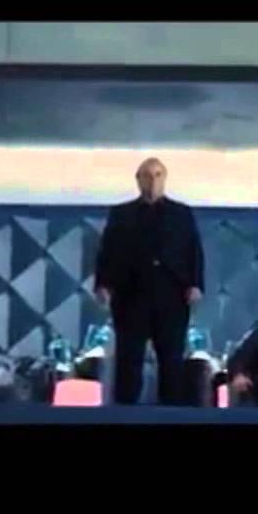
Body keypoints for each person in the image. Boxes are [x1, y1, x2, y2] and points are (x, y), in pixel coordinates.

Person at [94, 157, 204, 405]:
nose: (152, 181)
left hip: (172, 296)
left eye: (157, 175)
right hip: (130, 295)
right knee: (128, 360)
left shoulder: (181, 213)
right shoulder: (121, 214)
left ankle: (170, 414)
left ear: (165, 179)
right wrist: (103, 285)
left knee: (171, 360)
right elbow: (106, 252)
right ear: (138, 180)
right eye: (146, 175)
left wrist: (195, 284)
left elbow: (194, 250)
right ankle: (125, 414)